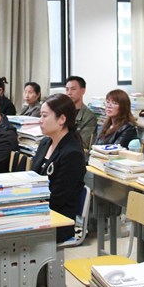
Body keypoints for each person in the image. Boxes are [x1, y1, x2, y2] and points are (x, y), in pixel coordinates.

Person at [32, 94, 87, 243]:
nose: (40, 120)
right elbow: (32, 178)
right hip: (37, 210)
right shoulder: (45, 143)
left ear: (62, 119)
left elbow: (56, 200)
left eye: (44, 116)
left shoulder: (72, 154)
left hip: (57, 221)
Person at [65, 76, 98, 149]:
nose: (69, 93)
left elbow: (84, 144)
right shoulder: (61, 111)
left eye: (73, 89)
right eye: (67, 89)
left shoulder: (88, 117)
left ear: (82, 91)